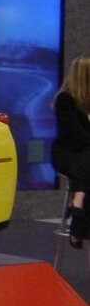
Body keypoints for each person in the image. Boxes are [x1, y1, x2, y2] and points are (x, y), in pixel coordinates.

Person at [51, 56, 90, 248]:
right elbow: (75, 135)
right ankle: (79, 199)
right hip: (68, 152)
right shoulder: (65, 100)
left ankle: (78, 204)